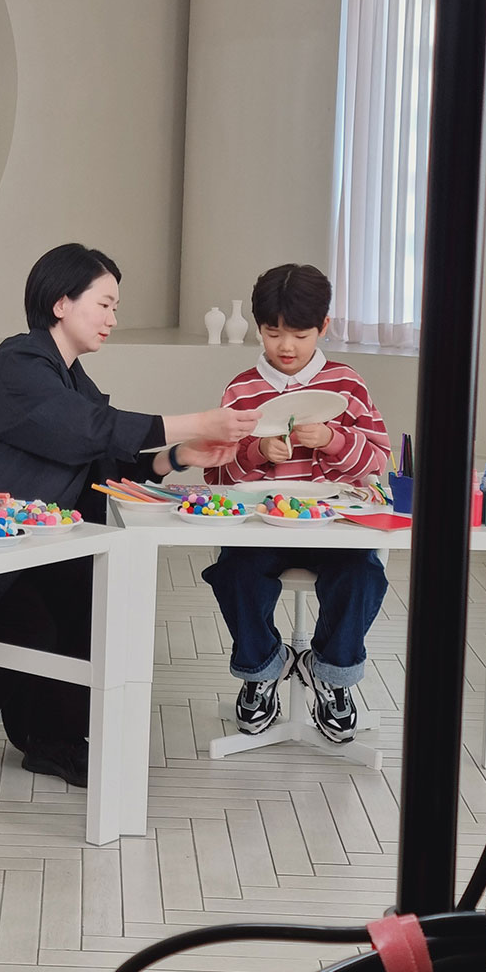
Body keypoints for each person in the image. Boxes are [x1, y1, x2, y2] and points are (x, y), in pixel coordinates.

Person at [0, 243, 258, 787]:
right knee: (33, 621)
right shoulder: (19, 362)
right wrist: (198, 422)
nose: (113, 319)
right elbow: (89, 430)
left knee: (85, 588)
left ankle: (53, 741)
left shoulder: (72, 379)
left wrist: (180, 457)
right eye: (104, 304)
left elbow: (104, 461)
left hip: (15, 543)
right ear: (61, 303)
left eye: (115, 307)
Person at [201, 263, 390, 743]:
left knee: (362, 575)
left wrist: (333, 439)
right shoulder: (242, 389)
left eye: (300, 335)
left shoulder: (347, 385)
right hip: (262, 525)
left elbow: (378, 460)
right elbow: (215, 475)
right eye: (273, 333)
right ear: (259, 328)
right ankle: (263, 667)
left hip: (334, 526)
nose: (286, 346)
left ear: (323, 327)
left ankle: (331, 673)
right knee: (234, 572)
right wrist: (255, 452)